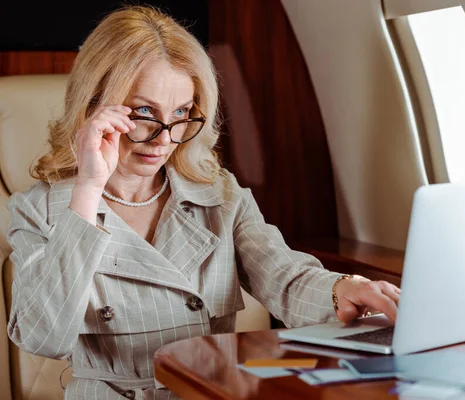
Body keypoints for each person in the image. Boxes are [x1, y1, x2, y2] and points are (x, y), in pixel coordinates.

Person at [6, 5, 401, 399]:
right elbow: (44, 336)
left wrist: (344, 288)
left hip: (208, 391)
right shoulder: (39, 210)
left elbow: (285, 277)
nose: (165, 138)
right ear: (95, 107)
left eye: (181, 112)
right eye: (144, 112)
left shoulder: (218, 194)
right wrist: (89, 187)